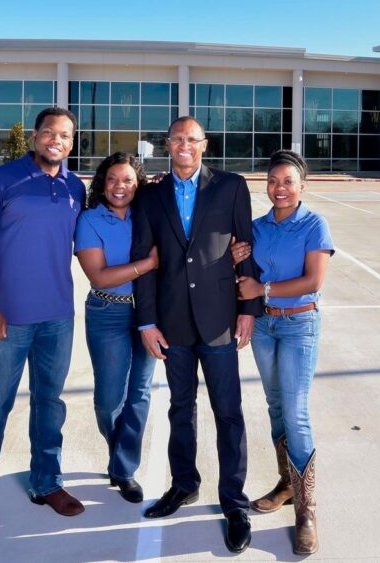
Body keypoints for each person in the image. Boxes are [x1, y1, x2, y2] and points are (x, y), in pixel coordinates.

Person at [75, 153, 252, 504]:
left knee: (149, 395)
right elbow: (102, 274)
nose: (119, 186)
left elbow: (217, 248)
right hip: (122, 313)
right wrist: (147, 272)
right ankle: (130, 458)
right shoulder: (96, 218)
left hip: (185, 314)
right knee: (116, 400)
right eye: (111, 179)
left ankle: (128, 469)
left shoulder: (173, 196)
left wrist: (238, 290)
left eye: (127, 179)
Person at [0, 107, 86, 546]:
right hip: (7, 320)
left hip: (58, 318)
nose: (57, 140)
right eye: (49, 132)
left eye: (65, 135)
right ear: (35, 137)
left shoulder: (74, 186)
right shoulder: (1, 180)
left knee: (50, 404)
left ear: (72, 142)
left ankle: (46, 482)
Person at [130, 116, 262, 554]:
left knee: (228, 412)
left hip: (221, 318)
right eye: (177, 139)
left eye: (192, 140)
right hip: (173, 322)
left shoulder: (231, 187)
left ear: (204, 145)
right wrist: (147, 322)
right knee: (180, 408)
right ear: (167, 144)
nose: (184, 146)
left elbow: (247, 250)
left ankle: (234, 504)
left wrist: (248, 310)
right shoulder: (150, 196)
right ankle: (184, 484)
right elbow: (143, 261)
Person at [236, 150, 334, 555]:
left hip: (298, 325)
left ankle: (306, 510)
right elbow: (245, 274)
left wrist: (265, 290)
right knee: (275, 405)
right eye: (273, 181)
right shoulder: (258, 228)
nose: (280, 188)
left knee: (295, 410)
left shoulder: (314, 225)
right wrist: (234, 259)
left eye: (288, 181)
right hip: (264, 326)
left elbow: (314, 280)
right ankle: (287, 485)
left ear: (302, 186)